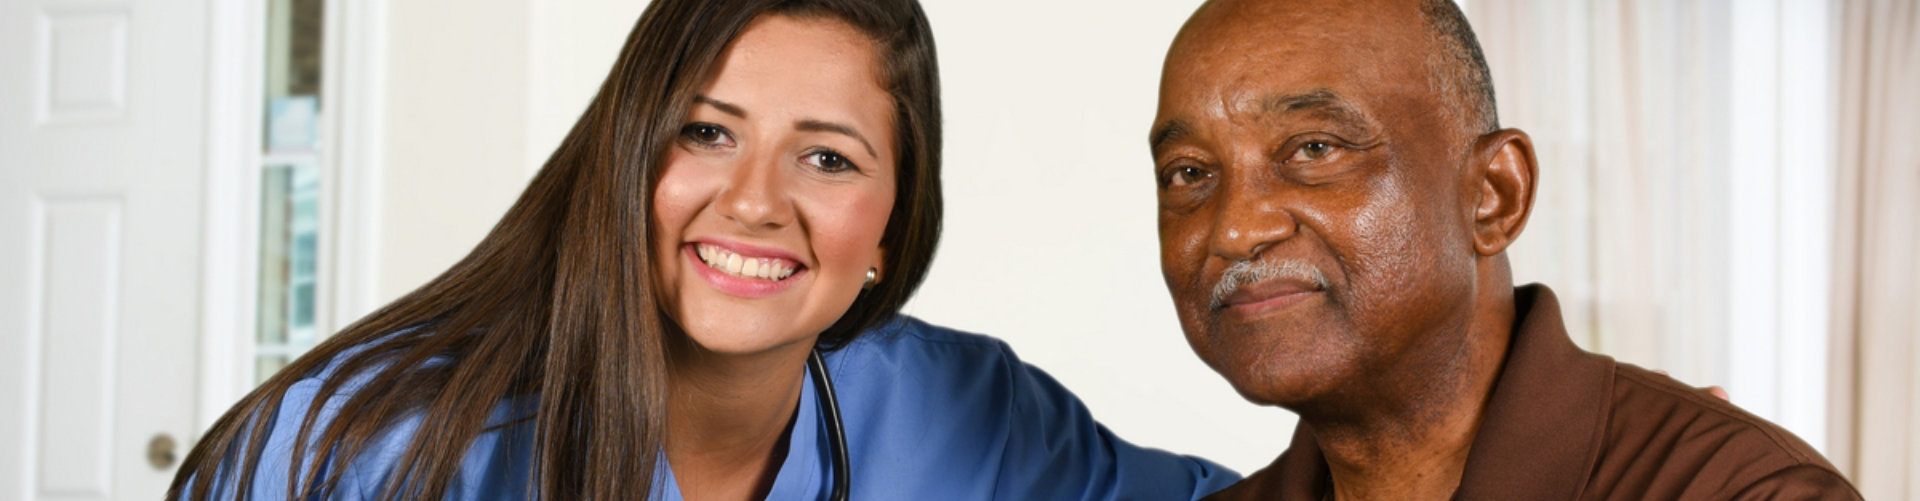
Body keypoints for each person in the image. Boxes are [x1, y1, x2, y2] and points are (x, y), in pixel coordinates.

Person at [170, 0, 1235, 499]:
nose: (755, 201)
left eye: (827, 159)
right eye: (707, 132)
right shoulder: (372, 442)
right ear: (627, 159)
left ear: (891, 230)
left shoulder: (964, 417)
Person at [1146, 0, 1861, 499]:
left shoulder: (1742, 490)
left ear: (1494, 192)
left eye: (1314, 148)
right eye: (1189, 173)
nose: (1234, 229)